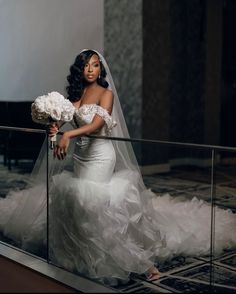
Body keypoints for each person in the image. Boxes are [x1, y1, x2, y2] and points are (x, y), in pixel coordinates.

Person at [0, 49, 236, 285]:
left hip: (101, 156)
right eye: (86, 66)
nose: (91, 70)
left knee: (93, 203)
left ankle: (141, 262)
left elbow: (96, 124)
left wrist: (68, 134)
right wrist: (53, 128)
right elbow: (60, 122)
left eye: (95, 65)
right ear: (79, 70)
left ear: (101, 68)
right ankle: (82, 254)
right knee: (80, 203)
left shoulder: (106, 94)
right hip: (81, 157)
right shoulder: (75, 95)